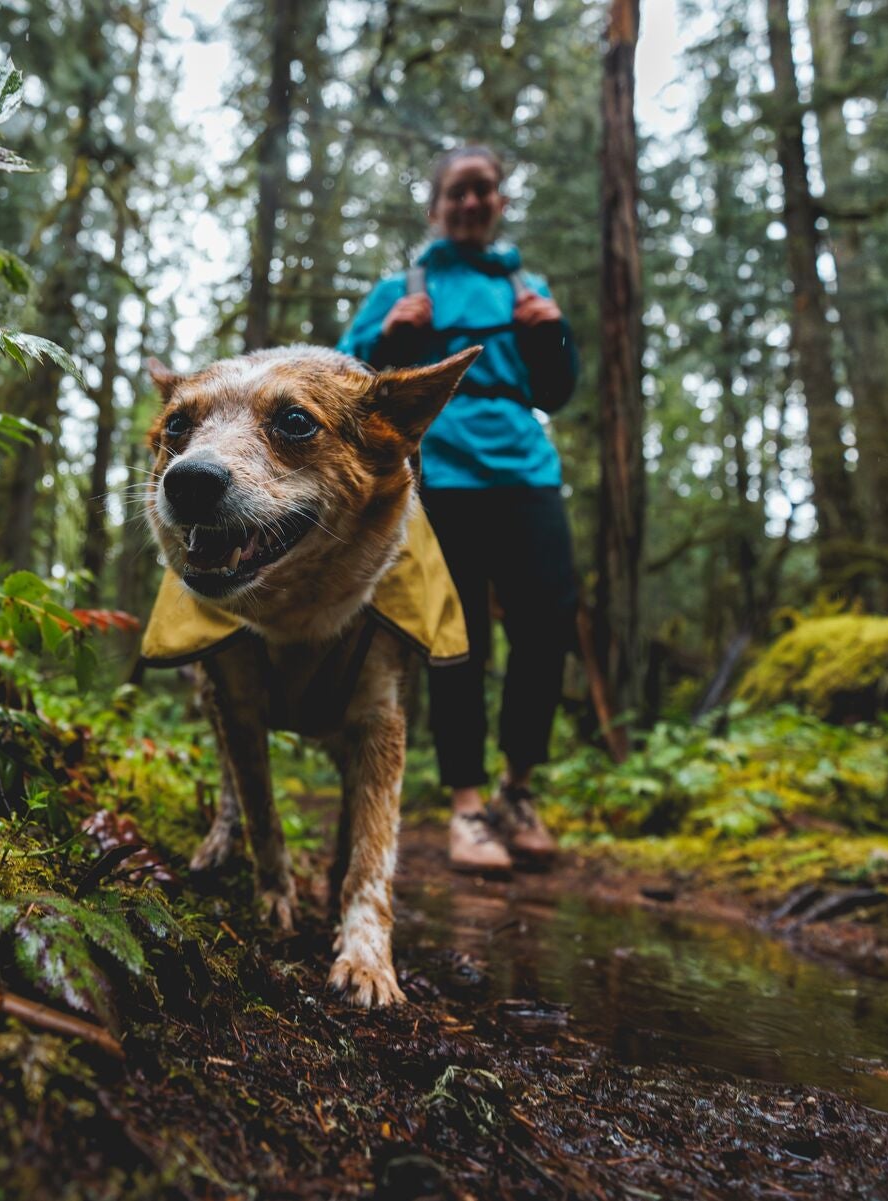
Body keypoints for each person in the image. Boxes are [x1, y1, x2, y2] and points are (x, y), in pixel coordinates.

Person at [336, 144, 581, 872]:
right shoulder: (404, 286)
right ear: (436, 207)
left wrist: (553, 333)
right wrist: (390, 338)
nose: (473, 203)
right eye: (459, 193)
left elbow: (556, 390)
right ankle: (467, 807)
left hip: (527, 468)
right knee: (458, 635)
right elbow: (348, 377)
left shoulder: (527, 288)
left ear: (500, 203)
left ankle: (518, 789)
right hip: (440, 474)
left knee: (547, 621)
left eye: (486, 191)